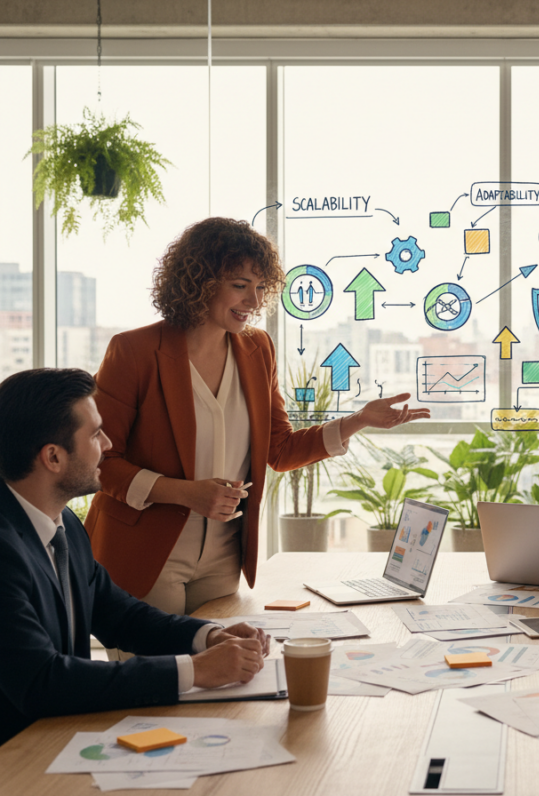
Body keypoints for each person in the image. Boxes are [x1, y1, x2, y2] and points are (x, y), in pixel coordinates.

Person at [85, 217, 429, 616]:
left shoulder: (257, 349)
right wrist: (185, 493)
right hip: (145, 555)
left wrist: (359, 420)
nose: (253, 300)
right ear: (199, 280)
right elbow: (101, 463)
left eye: (261, 287)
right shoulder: (135, 351)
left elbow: (280, 449)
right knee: (159, 676)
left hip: (223, 559)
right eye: (239, 285)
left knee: (221, 675)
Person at [0, 368, 270, 746]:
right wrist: (192, 671)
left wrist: (209, 637)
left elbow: (120, 616)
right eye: (95, 434)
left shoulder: (65, 527)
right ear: (53, 457)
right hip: (17, 756)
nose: (109, 444)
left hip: (55, 736)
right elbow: (42, 681)